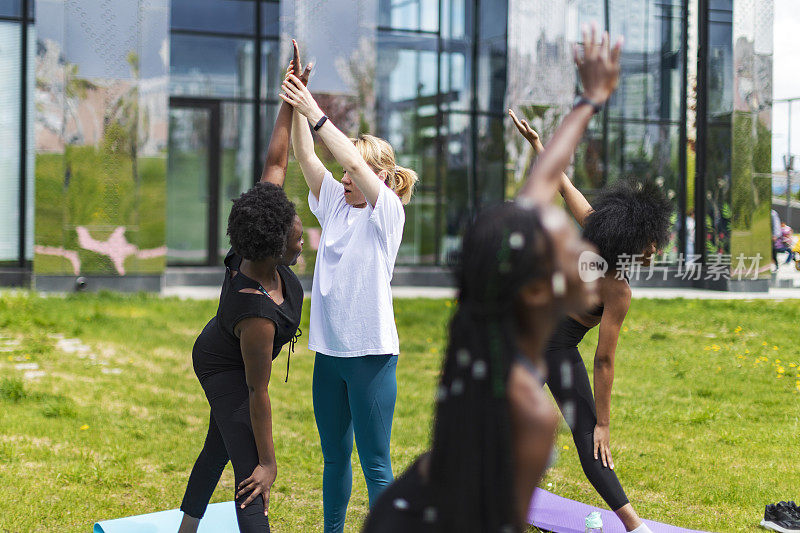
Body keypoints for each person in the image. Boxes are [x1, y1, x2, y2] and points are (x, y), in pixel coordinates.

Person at [363, 23, 620, 533]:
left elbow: (539, 191)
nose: (578, 248)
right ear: (535, 289)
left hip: (397, 512)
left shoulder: (484, 322)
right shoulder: (528, 411)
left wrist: (589, 101)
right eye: (562, 248)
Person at [510, 80, 672, 533]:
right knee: (584, 438)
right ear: (631, 241)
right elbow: (603, 361)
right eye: (650, 244)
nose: (654, 251)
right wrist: (602, 423)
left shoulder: (595, 230)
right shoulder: (617, 288)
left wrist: (539, 144)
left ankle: (634, 526)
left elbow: (562, 182)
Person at [177, 42, 311, 533]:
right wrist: (272, 464)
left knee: (219, 444)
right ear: (274, 246)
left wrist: (290, 96)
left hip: (229, 351)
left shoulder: (258, 237)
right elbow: (258, 392)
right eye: (297, 235)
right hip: (221, 363)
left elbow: (275, 163)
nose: (303, 235)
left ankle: (185, 529)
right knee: (250, 469)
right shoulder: (254, 312)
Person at [280, 60, 418, 533]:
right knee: (334, 459)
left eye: (351, 172)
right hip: (330, 356)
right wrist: (300, 96)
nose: (343, 176)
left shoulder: (387, 215)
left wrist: (316, 112)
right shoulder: (336, 204)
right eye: (340, 172)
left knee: (375, 464)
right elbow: (304, 154)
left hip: (372, 357)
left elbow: (356, 163)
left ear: (378, 176)